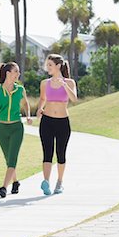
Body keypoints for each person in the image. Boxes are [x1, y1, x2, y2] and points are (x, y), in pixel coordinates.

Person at [0, 62, 32, 198]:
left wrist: (28, 116)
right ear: (8, 73)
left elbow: (25, 103)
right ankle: (15, 182)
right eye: (16, 71)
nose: (18, 74)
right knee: (8, 159)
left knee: (12, 159)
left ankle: (3, 187)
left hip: (16, 128)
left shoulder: (20, 89)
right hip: (2, 129)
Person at [37, 54, 78, 195]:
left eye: (50, 65)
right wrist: (39, 108)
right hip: (46, 121)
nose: (47, 67)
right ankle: (46, 182)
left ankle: (59, 183)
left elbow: (74, 99)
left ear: (58, 66)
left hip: (62, 122)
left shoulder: (70, 82)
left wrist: (64, 85)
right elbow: (43, 98)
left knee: (61, 153)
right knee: (47, 153)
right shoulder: (44, 83)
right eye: (47, 65)